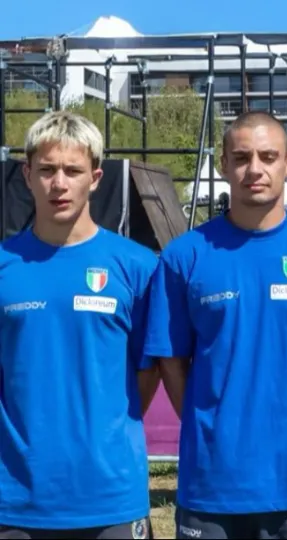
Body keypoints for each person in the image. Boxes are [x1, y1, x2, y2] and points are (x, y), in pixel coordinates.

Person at [143, 111, 287, 540]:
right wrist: (210, 426)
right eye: (242, 158)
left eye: (268, 156)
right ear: (223, 164)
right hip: (212, 487)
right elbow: (171, 360)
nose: (255, 169)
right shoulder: (184, 257)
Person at [0, 111, 160, 539]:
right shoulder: (4, 266)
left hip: (111, 497)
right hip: (18, 499)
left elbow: (148, 372)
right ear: (27, 175)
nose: (59, 183)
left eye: (72, 170)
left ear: (95, 178)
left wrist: (104, 429)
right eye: (47, 170)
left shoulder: (138, 267)